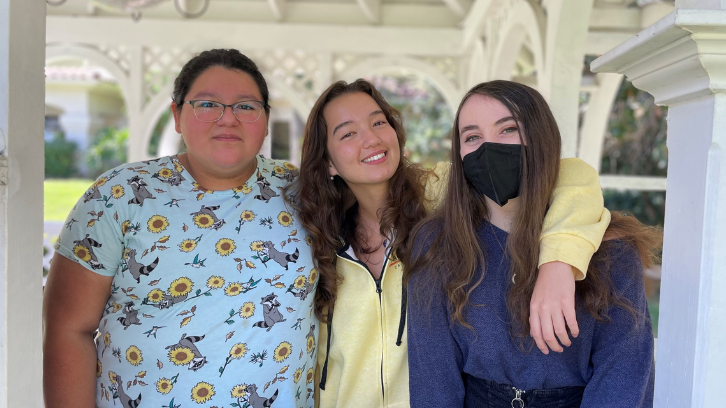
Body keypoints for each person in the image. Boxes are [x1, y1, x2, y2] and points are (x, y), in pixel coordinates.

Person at [285, 79, 611, 408]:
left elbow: (571, 175)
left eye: (378, 122)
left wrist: (558, 263)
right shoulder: (316, 237)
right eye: (348, 133)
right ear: (327, 161)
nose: (370, 138)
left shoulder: (439, 195)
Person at [43, 49, 317, 408]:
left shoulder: (303, 193)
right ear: (177, 115)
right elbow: (68, 329)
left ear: (266, 119)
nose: (227, 119)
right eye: (207, 104)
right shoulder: (119, 196)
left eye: (246, 106)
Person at [406, 80, 660, 407]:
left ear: (541, 138)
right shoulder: (436, 242)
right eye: (472, 137)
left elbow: (623, 375)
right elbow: (433, 379)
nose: (488, 147)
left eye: (508, 129)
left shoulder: (610, 250)